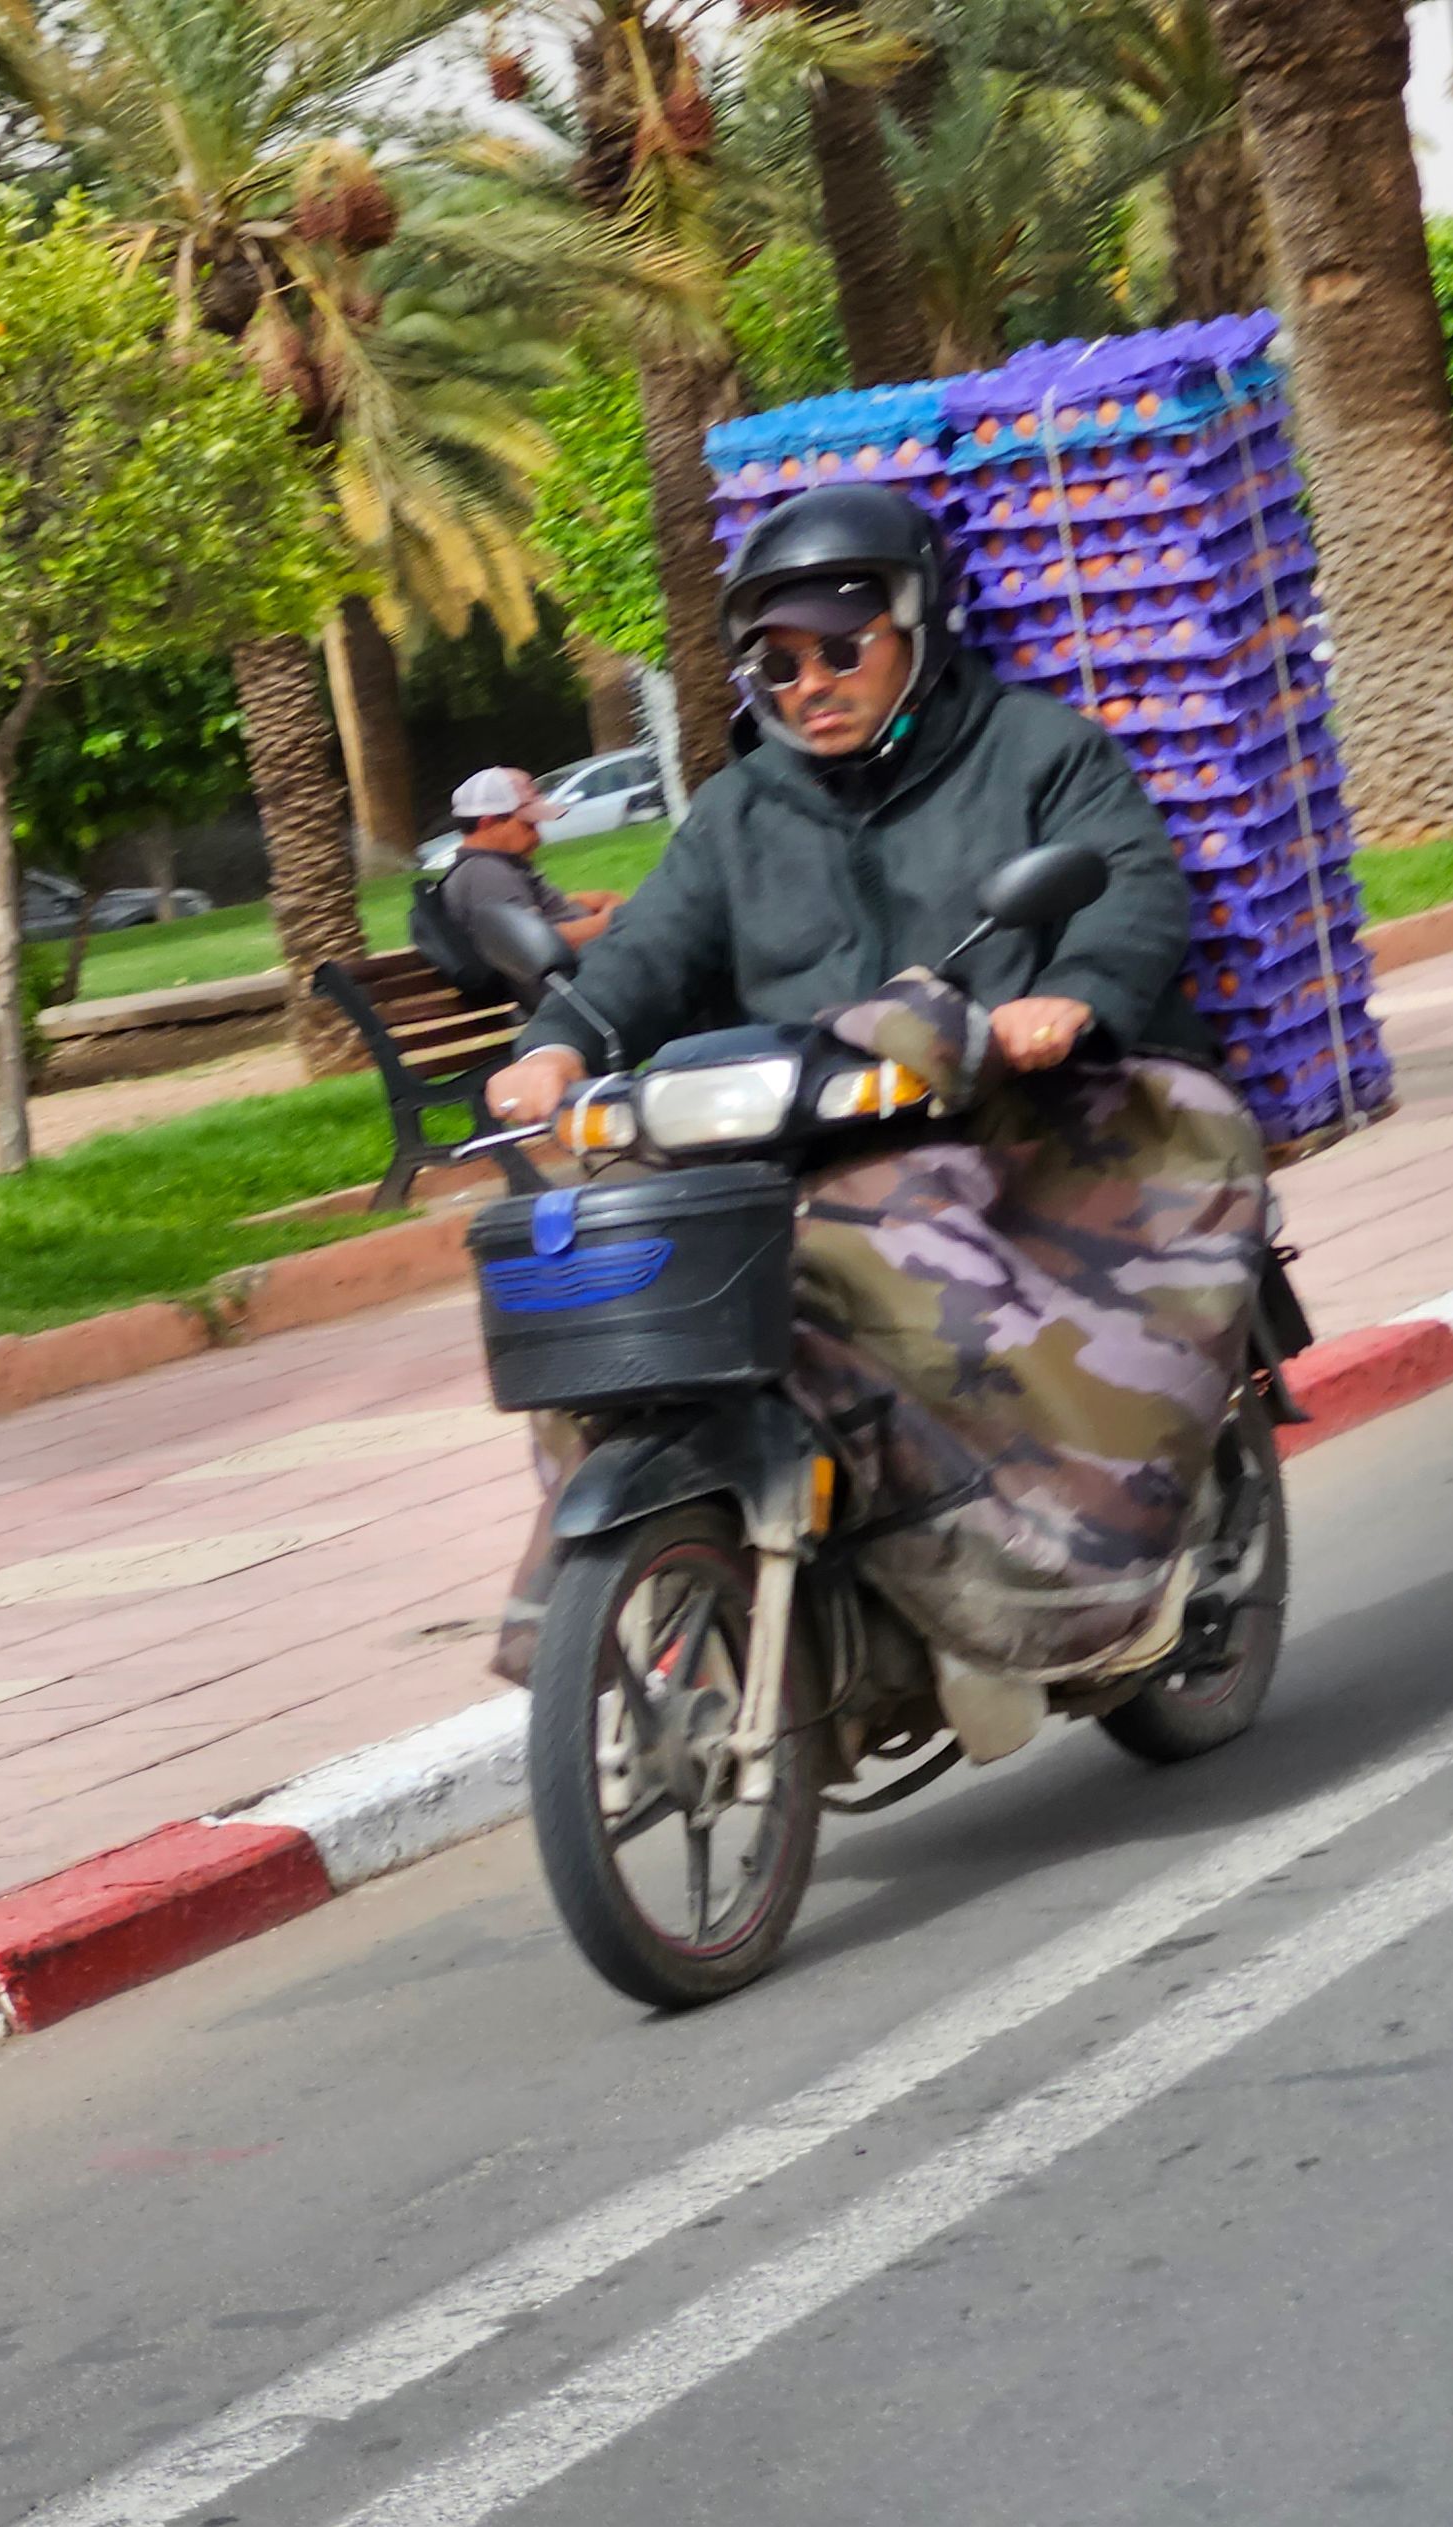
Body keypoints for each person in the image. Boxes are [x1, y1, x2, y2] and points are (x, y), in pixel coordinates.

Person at [485, 485, 1267, 1763]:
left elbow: (1126, 880)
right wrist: (557, 1043)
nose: (807, 685)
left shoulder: (1033, 749)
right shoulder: (743, 809)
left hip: (1036, 1117)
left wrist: (1068, 998)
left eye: (840, 649)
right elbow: (650, 951)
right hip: (813, 1132)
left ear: (916, 624)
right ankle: (708, 1581)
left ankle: (1055, 1578)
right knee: (616, 1291)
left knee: (913, 1249)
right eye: (776, 662)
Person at [431, 768, 622, 1005]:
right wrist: (616, 919)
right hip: (576, 999)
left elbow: (539, 915)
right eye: (528, 824)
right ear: (487, 822)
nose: (538, 833)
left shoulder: (496, 866)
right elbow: (540, 945)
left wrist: (596, 902)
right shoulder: (487, 874)